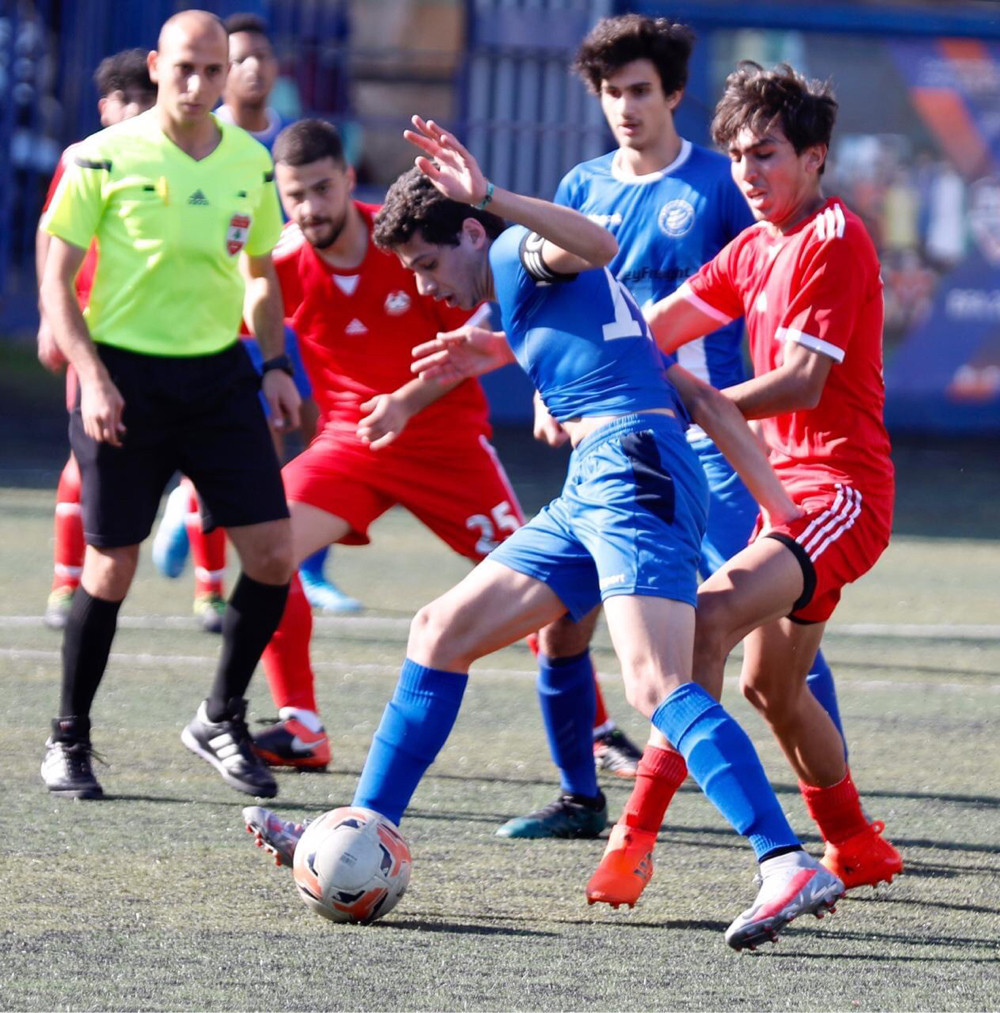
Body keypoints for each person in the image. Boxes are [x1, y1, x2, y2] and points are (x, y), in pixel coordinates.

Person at [244, 116, 846, 951]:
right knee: (440, 631)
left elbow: (595, 243)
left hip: (631, 471)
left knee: (655, 682)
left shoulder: (511, 252)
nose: (422, 289)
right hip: (598, 479)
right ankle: (362, 829)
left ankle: (784, 859)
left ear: (464, 232)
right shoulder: (520, 297)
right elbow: (685, 391)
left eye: (425, 266)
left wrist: (493, 198)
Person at [503, 15, 850, 839]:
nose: (625, 107)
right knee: (564, 617)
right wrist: (550, 385)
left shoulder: (726, 183)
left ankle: (830, 810)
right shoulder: (582, 187)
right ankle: (580, 794)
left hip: (716, 439)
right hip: (617, 438)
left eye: (640, 91)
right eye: (610, 92)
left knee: (771, 620)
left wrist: (730, 400)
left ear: (673, 95)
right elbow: (573, 312)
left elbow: (761, 278)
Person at [586, 62, 903, 909]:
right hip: (788, 493)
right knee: (771, 684)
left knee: (708, 618)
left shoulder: (835, 238)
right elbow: (657, 330)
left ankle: (635, 839)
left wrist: (698, 404)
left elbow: (801, 381)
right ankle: (856, 844)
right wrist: (562, 370)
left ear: (814, 157)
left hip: (840, 493)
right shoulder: (758, 244)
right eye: (735, 157)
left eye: (765, 153)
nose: (748, 173)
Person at [38, 9, 299, 801]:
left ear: (227, 74)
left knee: (274, 556)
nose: (198, 84)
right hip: (125, 380)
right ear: (156, 65)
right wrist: (93, 373)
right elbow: (55, 277)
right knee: (111, 566)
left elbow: (260, 272)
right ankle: (69, 738)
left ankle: (221, 716)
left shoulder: (251, 161)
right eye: (184, 67)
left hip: (219, 379)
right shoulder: (101, 157)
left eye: (212, 70)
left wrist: (278, 363)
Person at [248, 117, 523, 770]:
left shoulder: (408, 242)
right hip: (351, 443)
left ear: (347, 179)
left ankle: (597, 732)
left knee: (537, 584)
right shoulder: (281, 263)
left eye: (322, 188)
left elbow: (473, 346)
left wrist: (406, 400)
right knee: (267, 551)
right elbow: (240, 316)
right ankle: (303, 726)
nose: (312, 207)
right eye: (296, 196)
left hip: (446, 441)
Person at [150, 11, 361, 623]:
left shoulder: (296, 143)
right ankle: (198, 536)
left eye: (261, 57)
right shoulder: (198, 142)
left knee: (325, 439)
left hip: (298, 323)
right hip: (225, 324)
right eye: (236, 59)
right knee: (255, 449)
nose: (251, 68)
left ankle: (310, 571)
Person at [37, 48, 157, 631]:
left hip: (165, 337)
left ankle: (208, 591)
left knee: (188, 470)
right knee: (85, 457)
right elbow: (50, 236)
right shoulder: (84, 159)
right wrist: (48, 318)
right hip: (94, 330)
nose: (139, 110)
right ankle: (66, 582)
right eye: (127, 100)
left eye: (146, 98)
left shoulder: (176, 160)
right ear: (106, 108)